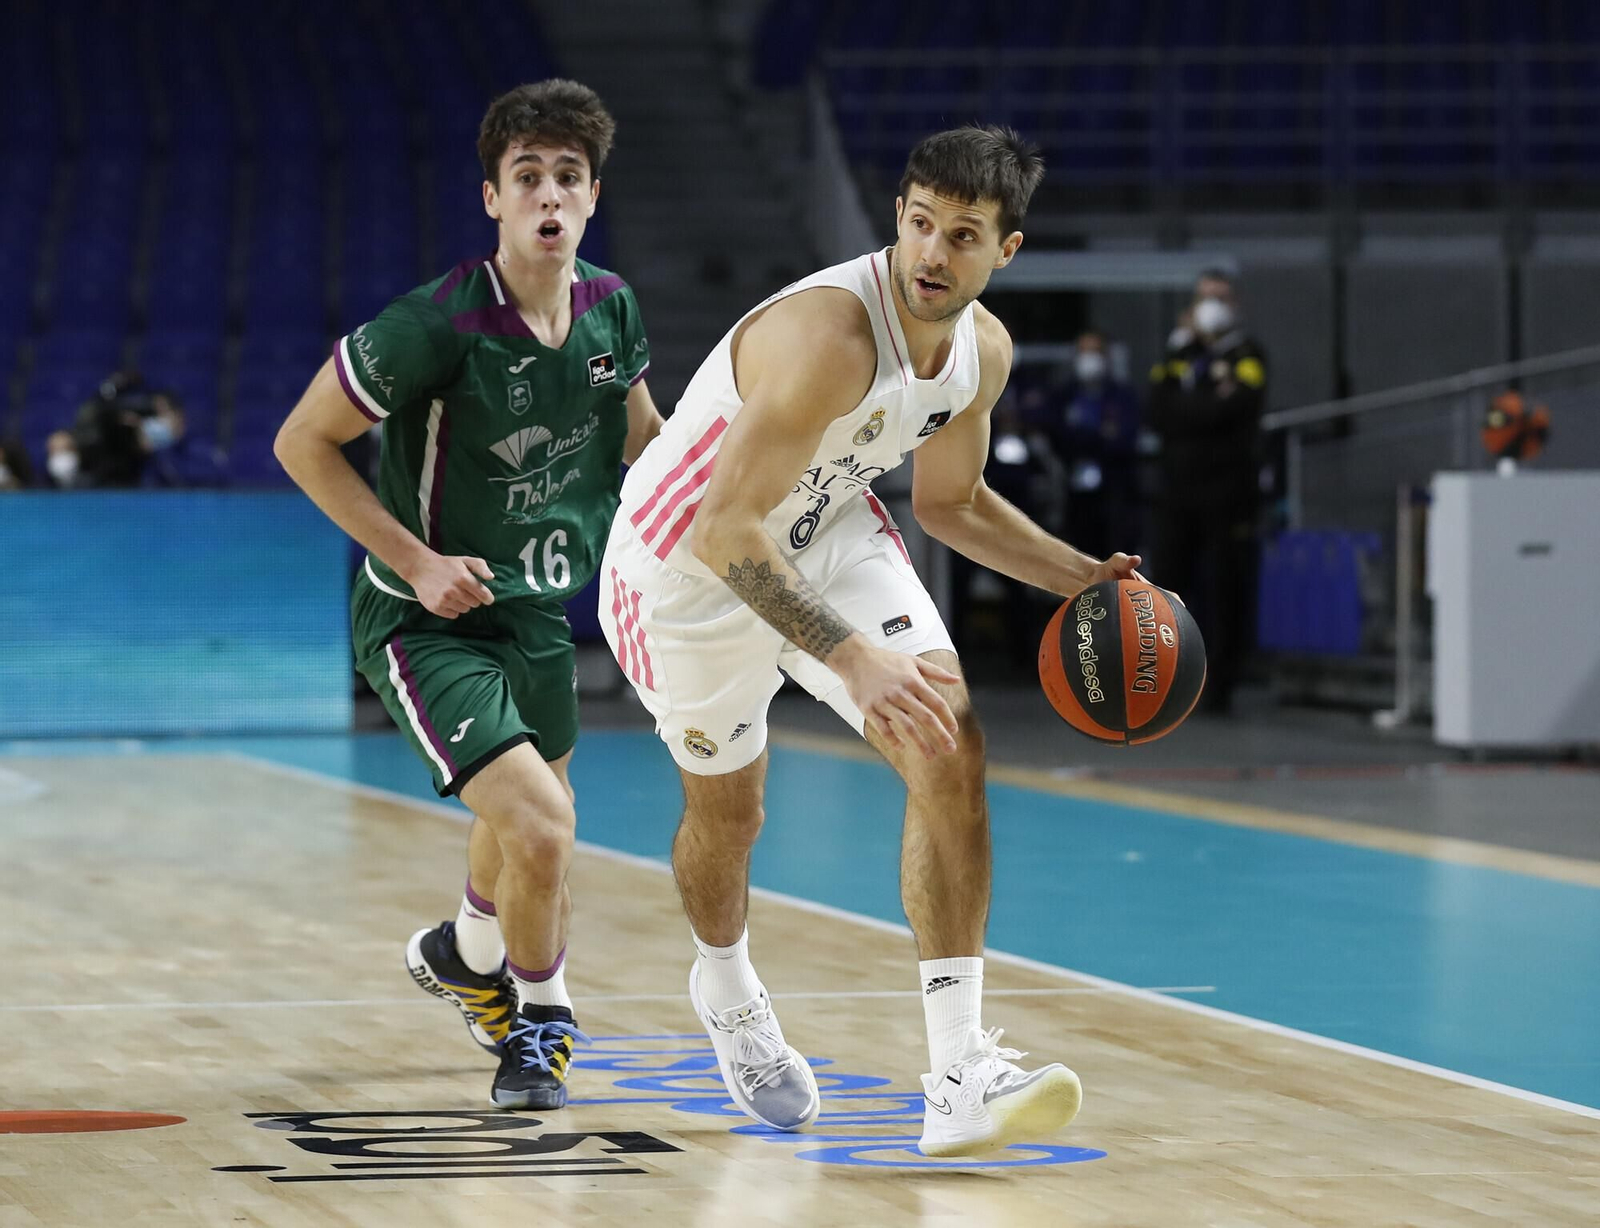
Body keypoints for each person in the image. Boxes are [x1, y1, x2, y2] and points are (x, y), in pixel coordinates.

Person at [598, 125, 1140, 1158]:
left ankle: (958, 1075)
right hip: (683, 570)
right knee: (731, 816)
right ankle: (725, 982)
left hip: (826, 527)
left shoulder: (980, 351)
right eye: (920, 223)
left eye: (963, 235)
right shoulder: (831, 336)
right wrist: (851, 657)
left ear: (1005, 251)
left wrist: (1087, 579)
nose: (933, 253)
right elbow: (722, 531)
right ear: (898, 215)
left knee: (950, 740)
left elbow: (955, 503)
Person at [274, 79, 663, 1110]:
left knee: (528, 826)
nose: (548, 194)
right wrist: (416, 559)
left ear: (590, 195)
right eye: (525, 175)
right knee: (542, 822)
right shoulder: (433, 325)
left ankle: (467, 947)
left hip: (535, 614)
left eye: (567, 177)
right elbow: (301, 442)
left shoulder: (611, 308)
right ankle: (543, 1023)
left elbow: (649, 450)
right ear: (491, 197)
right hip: (421, 619)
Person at [1146, 269, 1267, 714]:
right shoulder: (1178, 353)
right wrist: (1206, 404)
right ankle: (1170, 684)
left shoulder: (1248, 355)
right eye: (1204, 298)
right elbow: (1157, 410)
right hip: (1178, 492)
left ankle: (1221, 687)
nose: (1211, 306)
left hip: (1227, 492)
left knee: (1225, 588)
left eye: (1220, 298)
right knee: (1170, 588)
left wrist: (1194, 409)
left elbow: (1237, 409)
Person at [1042, 329, 1141, 561]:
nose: (1089, 359)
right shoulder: (1064, 395)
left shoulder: (1122, 396)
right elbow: (1057, 435)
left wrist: (1083, 436)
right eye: (1084, 352)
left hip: (1115, 489)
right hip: (1073, 487)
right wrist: (1099, 435)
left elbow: (1124, 439)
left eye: (1095, 352)